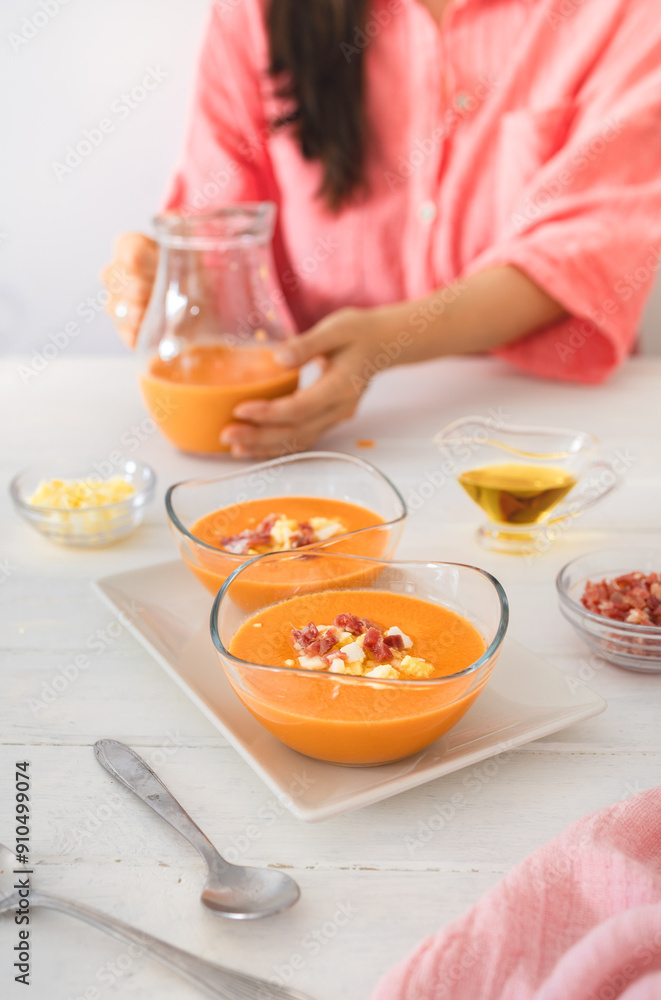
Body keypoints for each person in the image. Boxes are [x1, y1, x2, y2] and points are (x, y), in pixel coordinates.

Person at [103, 0, 661, 459]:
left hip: (547, 430)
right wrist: (165, 274)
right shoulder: (256, 12)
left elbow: (591, 240)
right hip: (317, 430)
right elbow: (216, 217)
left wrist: (388, 343)